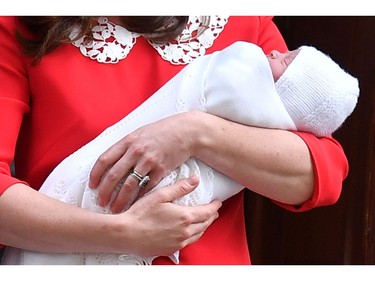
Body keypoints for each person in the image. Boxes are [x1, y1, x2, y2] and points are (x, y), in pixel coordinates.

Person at [0, 16, 350, 265]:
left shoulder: (241, 21)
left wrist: (193, 133)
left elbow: (317, 171)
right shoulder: (21, 24)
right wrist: (120, 233)